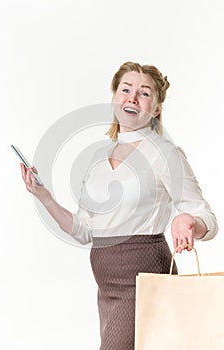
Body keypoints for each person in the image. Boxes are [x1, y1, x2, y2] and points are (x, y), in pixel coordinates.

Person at [20, 61, 218, 350]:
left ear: (157, 108)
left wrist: (188, 220)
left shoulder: (165, 153)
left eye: (144, 93)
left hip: (143, 275)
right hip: (106, 284)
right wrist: (44, 196)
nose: (132, 98)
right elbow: (84, 230)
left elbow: (206, 218)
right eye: (125, 89)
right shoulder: (100, 157)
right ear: (114, 97)